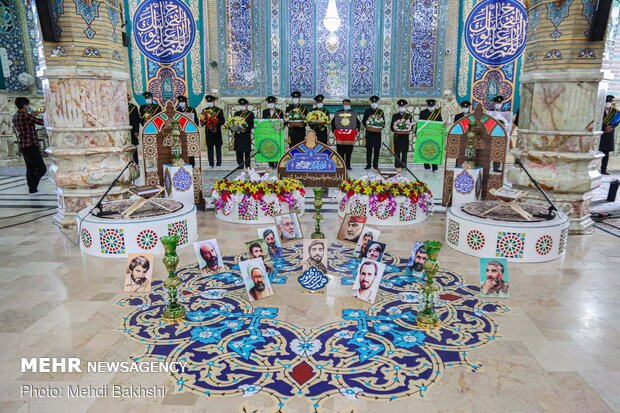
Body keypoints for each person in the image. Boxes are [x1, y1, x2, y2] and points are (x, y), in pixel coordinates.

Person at [12, 97, 46, 194]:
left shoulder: (16, 116)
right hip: (31, 145)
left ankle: (32, 189)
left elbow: (28, 120)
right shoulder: (25, 116)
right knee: (42, 169)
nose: (28, 107)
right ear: (24, 105)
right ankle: (33, 185)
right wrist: (47, 116)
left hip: (24, 145)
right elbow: (41, 122)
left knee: (30, 168)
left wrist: (32, 114)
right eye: (27, 105)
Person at [332, 98, 359, 170]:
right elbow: (333, 122)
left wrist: (357, 130)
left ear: (350, 105)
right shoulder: (338, 113)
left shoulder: (353, 113)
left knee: (348, 152)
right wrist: (334, 130)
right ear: (343, 104)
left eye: (348, 104)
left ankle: (348, 165)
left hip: (349, 136)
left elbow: (357, 123)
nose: (346, 105)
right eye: (345, 104)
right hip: (340, 136)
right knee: (340, 151)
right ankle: (341, 164)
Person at [200, 95, 226, 167]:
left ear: (213, 102)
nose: (209, 103)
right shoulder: (204, 111)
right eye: (208, 101)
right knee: (210, 148)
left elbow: (222, 121)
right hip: (208, 132)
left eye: (210, 101)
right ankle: (211, 163)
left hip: (217, 132)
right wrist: (204, 122)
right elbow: (202, 121)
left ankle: (219, 163)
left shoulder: (219, 110)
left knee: (218, 148)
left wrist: (214, 123)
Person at [417, 99, 442, 172]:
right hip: (425, 134)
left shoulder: (437, 112)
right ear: (427, 105)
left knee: (434, 149)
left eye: (432, 105)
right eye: (429, 105)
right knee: (425, 149)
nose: (431, 107)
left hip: (435, 135)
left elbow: (440, 122)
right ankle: (426, 166)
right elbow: (420, 124)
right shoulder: (423, 113)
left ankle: (435, 167)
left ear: (434, 105)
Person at [362, 95, 384, 170]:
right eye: (373, 102)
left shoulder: (381, 112)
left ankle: (375, 164)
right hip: (369, 134)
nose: (374, 103)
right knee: (369, 149)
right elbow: (364, 121)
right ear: (371, 103)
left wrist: (378, 127)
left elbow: (383, 123)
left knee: (377, 149)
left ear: (377, 103)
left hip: (377, 134)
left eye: (375, 102)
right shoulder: (367, 111)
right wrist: (368, 127)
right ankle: (368, 164)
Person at [262, 96, 285, 168]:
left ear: (275, 103)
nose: (271, 104)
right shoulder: (265, 111)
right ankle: (271, 164)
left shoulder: (279, 112)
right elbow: (263, 122)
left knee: (277, 147)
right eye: (269, 103)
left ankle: (277, 163)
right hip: (268, 133)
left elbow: (282, 122)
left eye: (272, 103)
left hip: (277, 133)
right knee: (270, 147)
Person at [233, 98, 255, 169]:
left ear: (246, 105)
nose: (242, 106)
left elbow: (251, 125)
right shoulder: (236, 114)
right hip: (238, 135)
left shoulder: (250, 114)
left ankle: (247, 165)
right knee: (238, 151)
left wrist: (245, 129)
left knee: (246, 151)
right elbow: (233, 124)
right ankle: (240, 164)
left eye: (243, 104)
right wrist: (235, 129)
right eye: (241, 105)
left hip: (246, 135)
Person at [390, 99, 413, 169]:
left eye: (403, 105)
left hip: (405, 137)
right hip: (397, 137)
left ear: (405, 106)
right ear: (398, 106)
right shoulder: (395, 116)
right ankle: (397, 165)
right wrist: (396, 129)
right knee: (397, 151)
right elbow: (391, 127)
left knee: (404, 152)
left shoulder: (409, 116)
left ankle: (403, 165)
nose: (402, 107)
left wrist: (406, 129)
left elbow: (411, 127)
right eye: (400, 106)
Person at [600, 95, 618, 175]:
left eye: (610, 102)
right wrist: (604, 128)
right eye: (607, 102)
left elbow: (617, 120)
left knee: (606, 153)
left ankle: (603, 169)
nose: (608, 103)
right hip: (600, 133)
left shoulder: (614, 111)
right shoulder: (599, 110)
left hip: (609, 134)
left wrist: (611, 127)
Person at [128, 94, 141, 164]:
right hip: (123, 132)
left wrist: (136, 131)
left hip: (132, 131)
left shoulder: (133, 107)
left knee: (134, 147)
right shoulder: (119, 108)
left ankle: (135, 163)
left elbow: (136, 120)